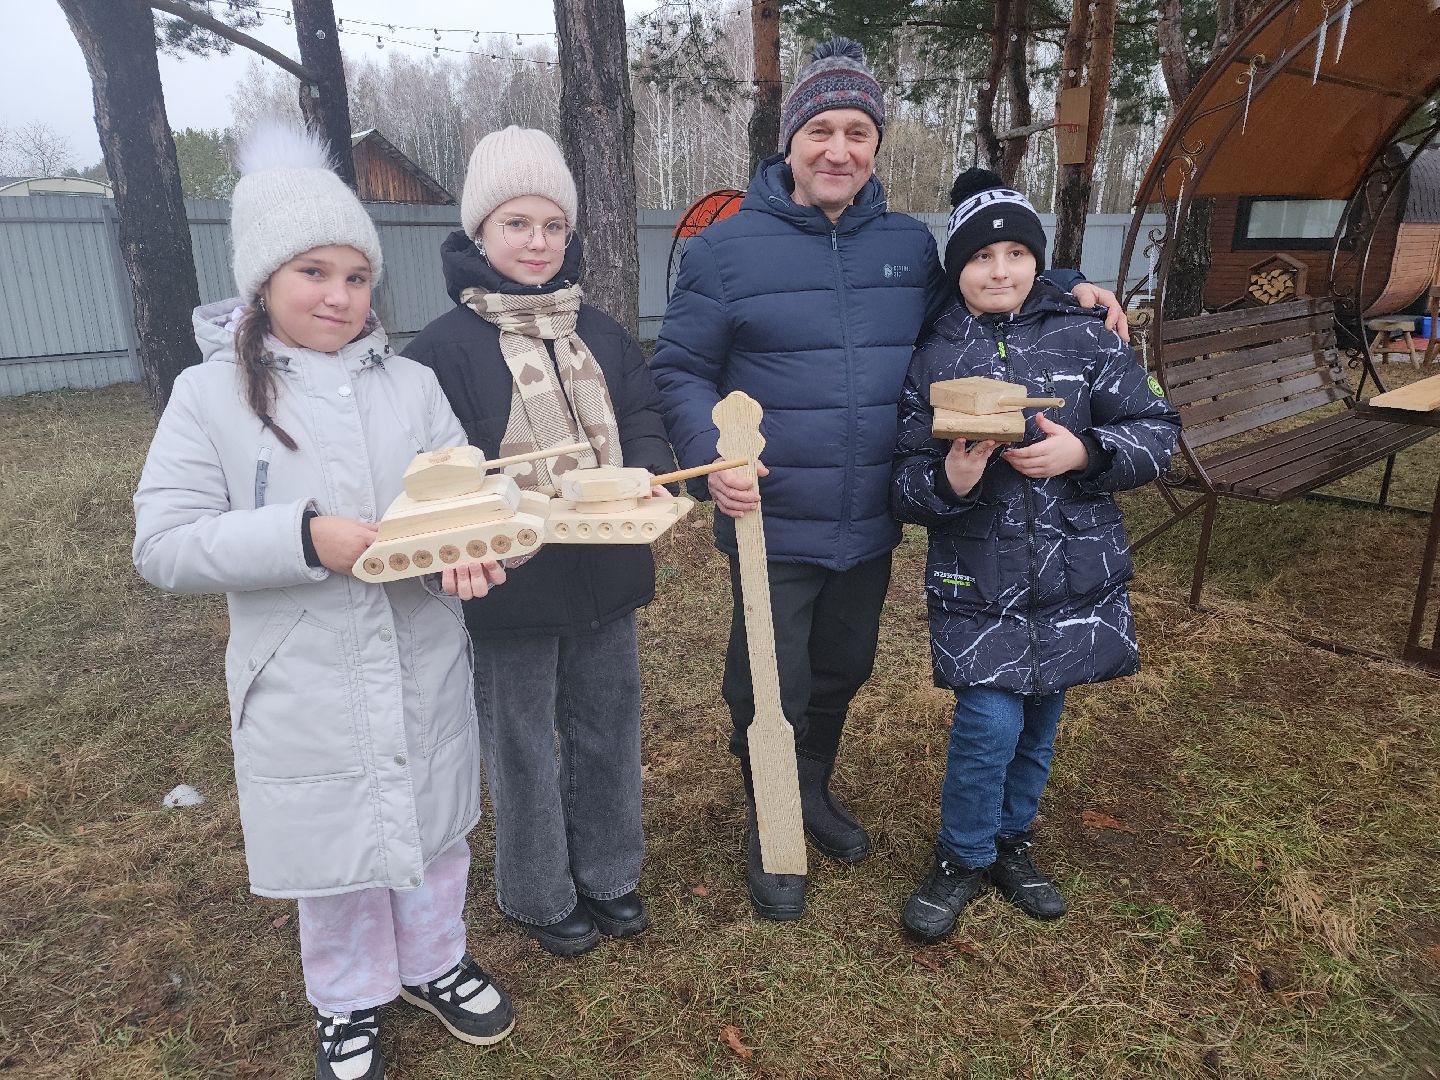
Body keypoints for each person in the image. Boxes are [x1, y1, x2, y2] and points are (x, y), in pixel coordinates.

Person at [650, 37, 1132, 921]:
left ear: (875, 145)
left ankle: (812, 789)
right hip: (771, 514)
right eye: (822, 131)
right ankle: (773, 817)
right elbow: (678, 367)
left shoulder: (907, 247)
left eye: (858, 133)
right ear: (791, 141)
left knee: (843, 666)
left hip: (870, 514)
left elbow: (984, 286)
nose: (839, 150)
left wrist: (1070, 284)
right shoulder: (725, 250)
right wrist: (712, 453)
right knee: (767, 682)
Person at [132, 122, 514, 1080]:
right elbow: (165, 544)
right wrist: (304, 538)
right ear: (264, 279)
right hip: (302, 673)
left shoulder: (413, 384)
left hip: (419, 652)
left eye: (357, 276)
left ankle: (435, 960)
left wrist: (468, 550)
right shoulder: (209, 398)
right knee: (337, 844)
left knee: (432, 825)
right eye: (314, 272)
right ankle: (347, 999)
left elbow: (460, 493)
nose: (340, 296)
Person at [404, 127, 675, 958]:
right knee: (521, 740)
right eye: (517, 223)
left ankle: (609, 871)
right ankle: (537, 890)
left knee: (608, 723)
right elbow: (432, 468)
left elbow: (641, 413)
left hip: (606, 564)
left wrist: (649, 470)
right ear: (479, 232)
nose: (538, 242)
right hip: (509, 584)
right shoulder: (440, 351)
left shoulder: (601, 332)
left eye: (554, 225)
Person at [890, 168, 1179, 943]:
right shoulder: (933, 353)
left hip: (1072, 573)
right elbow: (905, 476)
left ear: (1038, 263)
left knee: (1041, 716)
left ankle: (1012, 841)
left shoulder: (1086, 337)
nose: (999, 271)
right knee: (988, 718)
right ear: (957, 268)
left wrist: (1086, 452)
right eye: (981, 257)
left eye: (1016, 254)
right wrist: (950, 481)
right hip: (977, 578)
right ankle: (962, 855)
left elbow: (1157, 429)